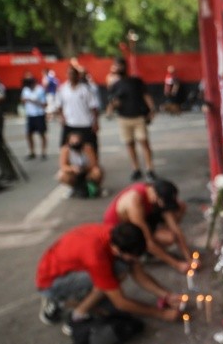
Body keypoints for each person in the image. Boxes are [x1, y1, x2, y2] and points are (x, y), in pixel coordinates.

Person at [36, 222, 181, 333]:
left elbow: (139, 273)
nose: (135, 260)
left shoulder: (118, 235)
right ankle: (76, 314)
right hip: (51, 282)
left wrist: (167, 295)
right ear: (117, 250)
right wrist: (161, 314)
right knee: (118, 274)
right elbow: (121, 303)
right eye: (132, 256)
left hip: (66, 266)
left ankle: (88, 294)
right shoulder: (97, 257)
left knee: (123, 267)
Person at [103, 179, 193, 273]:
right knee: (166, 238)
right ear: (155, 197)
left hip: (142, 218)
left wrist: (189, 257)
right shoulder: (134, 201)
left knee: (180, 207)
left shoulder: (156, 193)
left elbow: (175, 228)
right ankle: (144, 252)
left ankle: (156, 250)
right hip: (123, 232)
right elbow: (148, 242)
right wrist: (177, 265)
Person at [107, 57, 157, 182]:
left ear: (124, 66)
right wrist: (111, 109)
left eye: (118, 65)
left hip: (138, 117)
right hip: (123, 118)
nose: (116, 68)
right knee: (129, 144)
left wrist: (152, 109)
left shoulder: (136, 81)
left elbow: (146, 95)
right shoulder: (115, 85)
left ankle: (150, 169)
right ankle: (136, 169)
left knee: (144, 142)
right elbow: (112, 102)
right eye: (115, 66)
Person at [55, 64, 100, 154]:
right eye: (69, 74)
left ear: (77, 75)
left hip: (86, 123)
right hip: (70, 123)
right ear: (66, 75)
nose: (71, 76)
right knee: (65, 148)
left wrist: (95, 122)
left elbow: (93, 107)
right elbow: (59, 105)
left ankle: (93, 165)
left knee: (91, 148)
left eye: (73, 74)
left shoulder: (86, 89)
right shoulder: (62, 89)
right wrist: (62, 117)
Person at [57, 131, 104, 197]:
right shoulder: (65, 150)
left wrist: (84, 168)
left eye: (77, 141)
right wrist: (72, 168)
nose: (75, 143)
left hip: (87, 170)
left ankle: (95, 187)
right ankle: (73, 188)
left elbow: (94, 164)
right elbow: (63, 166)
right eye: (73, 141)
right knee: (61, 175)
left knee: (97, 172)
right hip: (74, 172)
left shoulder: (88, 148)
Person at [20, 72, 48, 160]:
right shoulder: (25, 90)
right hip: (30, 115)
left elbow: (44, 104)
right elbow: (23, 101)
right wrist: (24, 100)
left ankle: (43, 152)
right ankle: (32, 152)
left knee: (41, 133)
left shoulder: (40, 90)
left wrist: (33, 101)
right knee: (29, 134)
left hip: (39, 114)